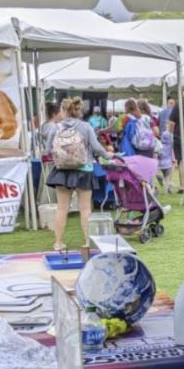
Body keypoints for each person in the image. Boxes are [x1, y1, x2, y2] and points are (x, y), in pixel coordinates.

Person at [46, 97, 109, 253]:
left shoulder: (55, 128)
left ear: (63, 110)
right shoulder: (86, 126)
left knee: (62, 209)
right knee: (85, 208)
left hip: (61, 171)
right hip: (84, 170)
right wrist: (107, 155)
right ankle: (87, 241)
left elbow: (47, 150)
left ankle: (58, 243)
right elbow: (96, 147)